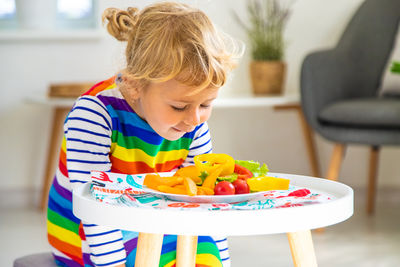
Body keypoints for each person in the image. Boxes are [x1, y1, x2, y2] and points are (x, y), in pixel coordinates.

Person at [47, 2, 241, 267]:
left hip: (152, 219)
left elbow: (206, 206)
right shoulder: (95, 114)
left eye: (206, 104)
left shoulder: (192, 123)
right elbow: (93, 210)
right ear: (135, 85)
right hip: (89, 237)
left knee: (202, 251)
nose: (195, 119)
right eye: (179, 106)